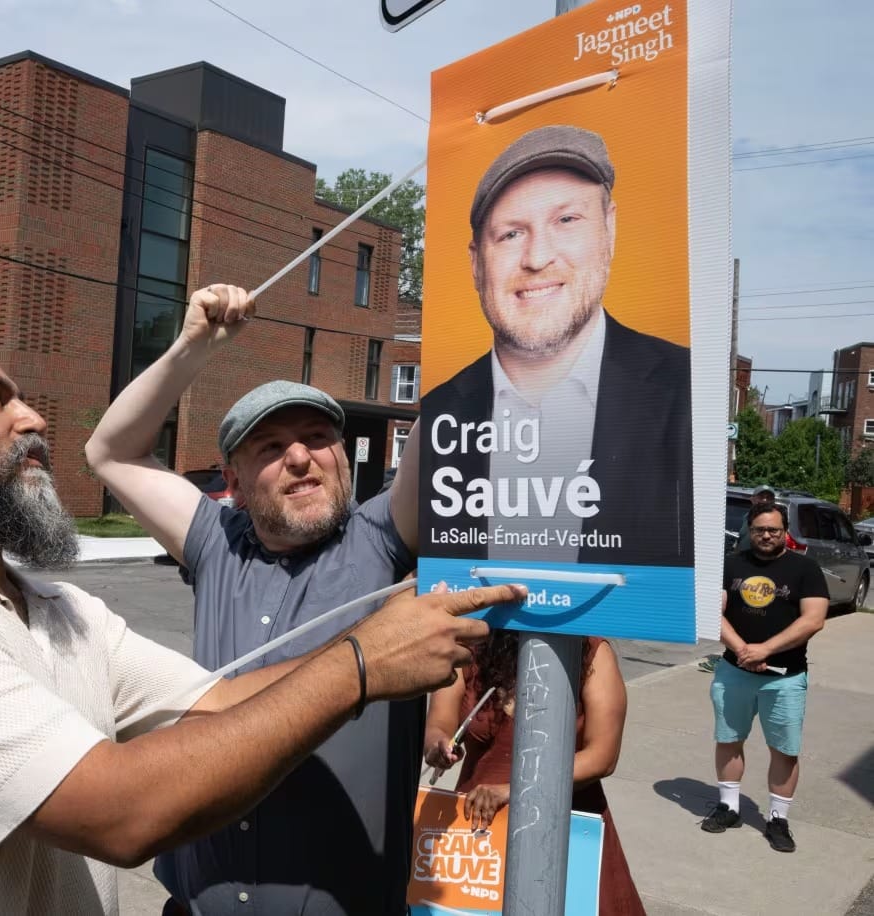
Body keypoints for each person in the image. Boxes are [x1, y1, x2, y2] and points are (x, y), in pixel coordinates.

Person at [0, 329, 524, 914]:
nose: (34, 416)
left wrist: (382, 649)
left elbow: (220, 701)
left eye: (317, 439)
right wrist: (362, 661)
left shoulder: (64, 613)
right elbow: (124, 814)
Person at [86, 284, 426, 914]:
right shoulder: (217, 543)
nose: (300, 456)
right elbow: (110, 452)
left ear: (344, 460)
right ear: (234, 482)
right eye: (270, 448)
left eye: (319, 437)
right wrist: (193, 347)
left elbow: (454, 427)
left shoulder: (382, 539)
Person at [419, 124, 692, 567]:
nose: (537, 257)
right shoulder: (439, 417)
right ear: (475, 263)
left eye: (566, 220)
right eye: (510, 234)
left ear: (609, 229)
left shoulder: (688, 392)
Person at [424, 631, 646, 915]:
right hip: (479, 829)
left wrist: (515, 789)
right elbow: (439, 723)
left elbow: (603, 757)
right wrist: (437, 744)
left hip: (565, 827)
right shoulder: (473, 642)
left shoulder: (590, 650)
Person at [702, 500, 828, 852]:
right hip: (734, 671)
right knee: (729, 739)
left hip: (784, 677)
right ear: (749, 531)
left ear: (785, 531)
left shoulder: (805, 569)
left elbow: (813, 619)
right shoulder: (730, 564)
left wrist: (765, 650)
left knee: (784, 750)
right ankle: (729, 808)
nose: (767, 535)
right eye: (759, 530)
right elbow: (713, 609)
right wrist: (744, 649)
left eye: (773, 529)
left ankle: (777, 819)